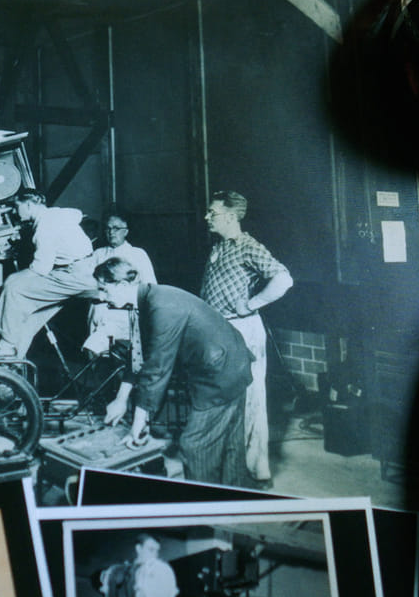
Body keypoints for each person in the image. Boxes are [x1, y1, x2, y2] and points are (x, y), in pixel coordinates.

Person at [97, 257, 254, 486]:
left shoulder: (161, 307)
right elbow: (139, 353)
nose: (101, 297)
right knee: (230, 445)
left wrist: (139, 422)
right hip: (232, 364)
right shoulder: (147, 299)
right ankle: (235, 496)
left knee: (195, 446)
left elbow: (157, 368)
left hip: (220, 375)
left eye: (104, 289)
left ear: (121, 285)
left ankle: (205, 506)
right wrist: (121, 399)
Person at [199, 191, 292, 487]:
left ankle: (256, 469)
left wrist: (252, 304)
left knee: (251, 400)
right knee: (223, 399)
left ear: (230, 216)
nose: (207, 217)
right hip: (218, 331)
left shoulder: (248, 246)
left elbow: (284, 279)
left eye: (212, 212)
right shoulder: (218, 247)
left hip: (242, 330)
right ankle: (228, 464)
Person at [0, 190, 97, 359]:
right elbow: (77, 214)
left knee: (13, 287)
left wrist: (13, 278)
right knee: (28, 318)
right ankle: (12, 365)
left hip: (74, 276)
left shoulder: (44, 227)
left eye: (16, 207)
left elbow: (41, 268)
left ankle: (6, 344)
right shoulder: (58, 213)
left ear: (28, 205)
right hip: (81, 269)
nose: (15, 212)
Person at [85, 212, 157, 355]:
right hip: (100, 310)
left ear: (126, 231)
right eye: (108, 228)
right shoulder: (98, 254)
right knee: (95, 351)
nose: (111, 232)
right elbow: (86, 282)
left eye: (116, 228)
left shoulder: (138, 254)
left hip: (126, 313)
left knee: (123, 355)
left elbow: (150, 286)